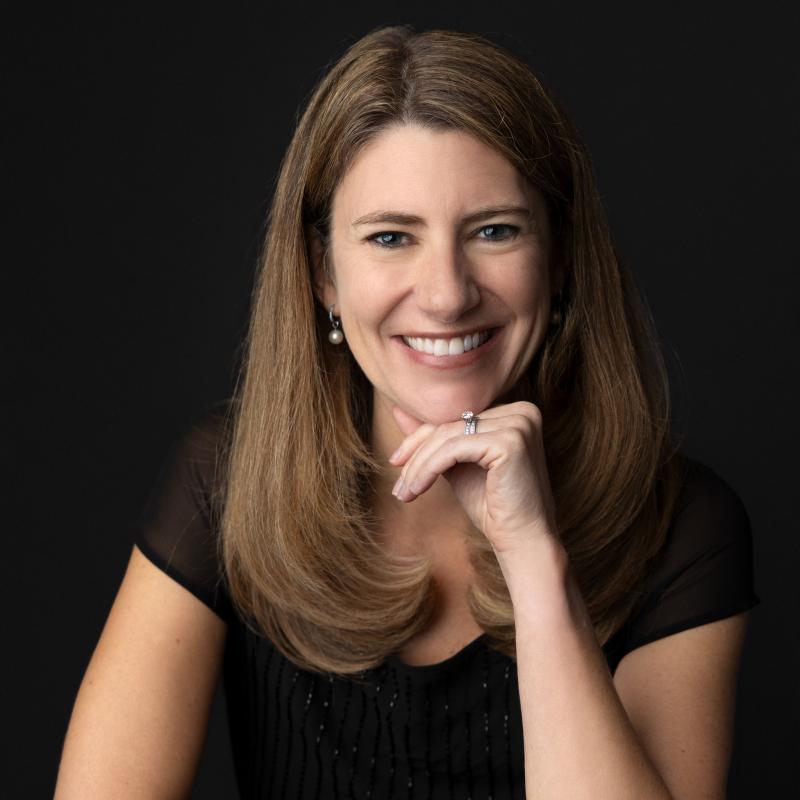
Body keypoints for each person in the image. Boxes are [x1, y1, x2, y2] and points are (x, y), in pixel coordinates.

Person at [55, 25, 760, 800]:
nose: (447, 292)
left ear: (559, 260)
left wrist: (532, 560)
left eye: (494, 231)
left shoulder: (681, 523)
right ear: (323, 274)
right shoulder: (222, 481)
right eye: (391, 237)